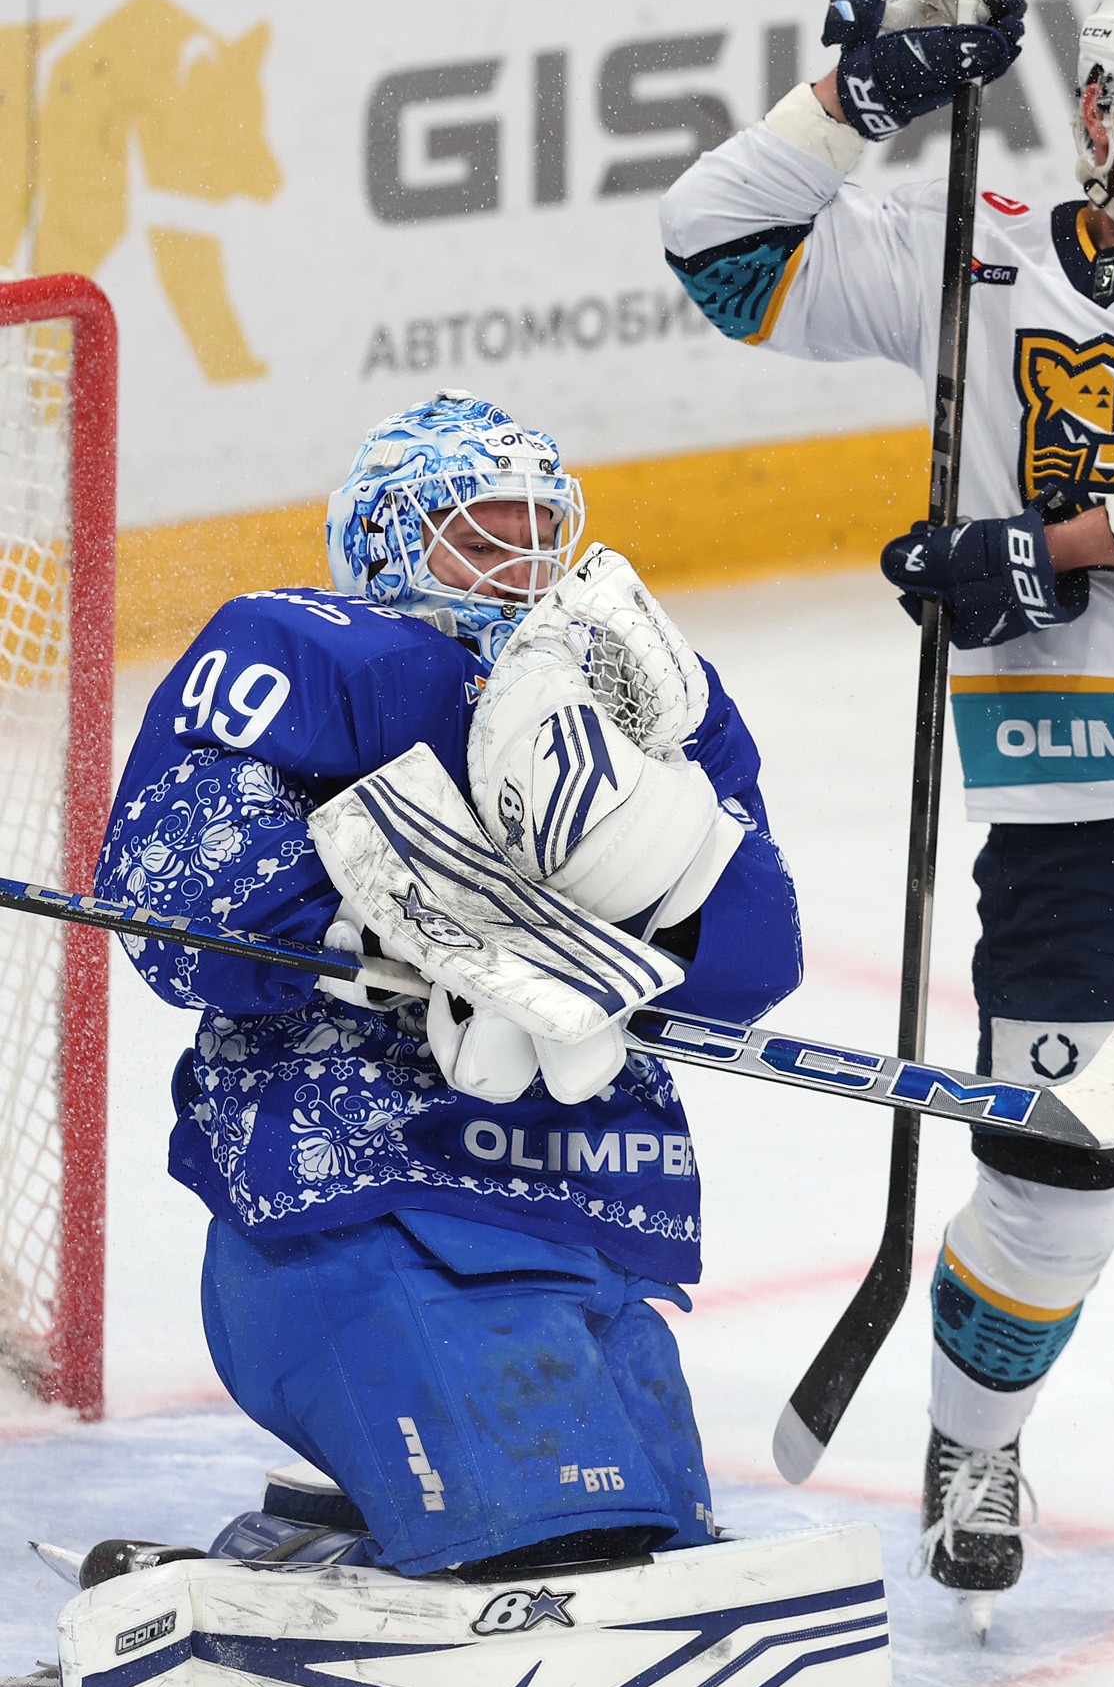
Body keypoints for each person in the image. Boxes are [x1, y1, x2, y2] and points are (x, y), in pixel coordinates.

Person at [661, 0, 1114, 1618]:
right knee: (1057, 1180)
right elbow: (717, 254)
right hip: (1073, 810)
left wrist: (1038, 552)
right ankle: (974, 1447)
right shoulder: (969, 248)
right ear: (1097, 109)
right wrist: (859, 100)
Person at [89, 389, 803, 1581]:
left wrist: (662, 867)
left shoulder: (650, 690)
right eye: (481, 535)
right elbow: (175, 890)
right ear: (382, 541)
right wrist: (403, 939)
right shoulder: (304, 648)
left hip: (583, 1193)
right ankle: (293, 1575)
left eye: (543, 531)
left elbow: (746, 963)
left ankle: (326, 1531)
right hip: (360, 1191)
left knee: (649, 1548)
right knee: (548, 1545)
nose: (524, 568)